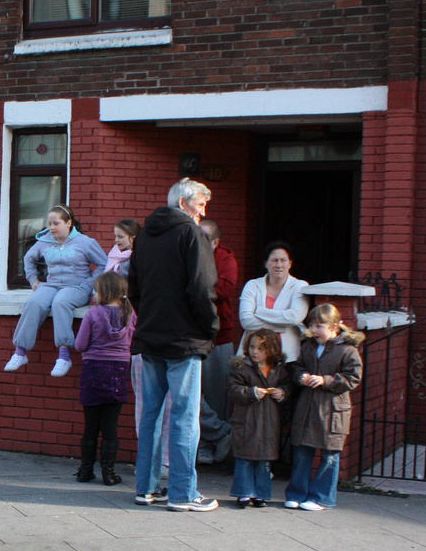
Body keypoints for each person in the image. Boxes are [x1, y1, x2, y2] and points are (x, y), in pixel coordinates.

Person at [127, 179, 220, 512]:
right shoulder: (193, 235)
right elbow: (202, 288)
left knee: (149, 416)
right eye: (200, 205)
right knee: (184, 418)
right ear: (184, 202)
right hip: (184, 341)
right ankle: (183, 494)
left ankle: (146, 488)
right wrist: (210, 327)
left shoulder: (144, 238)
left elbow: (133, 289)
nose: (203, 211)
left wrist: (150, 318)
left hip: (150, 337)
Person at [4, 207, 107, 377]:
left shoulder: (85, 242)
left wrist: (90, 284)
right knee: (34, 302)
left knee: (61, 302)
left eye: (56, 223)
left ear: (68, 223)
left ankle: (64, 356)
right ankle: (20, 352)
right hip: (51, 285)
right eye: (50, 223)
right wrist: (33, 280)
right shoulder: (44, 241)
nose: (52, 227)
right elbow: (29, 258)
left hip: (76, 287)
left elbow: (103, 264)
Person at [284, 303, 365, 511]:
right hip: (308, 407)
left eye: (319, 325)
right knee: (302, 452)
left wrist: (325, 380)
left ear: (335, 326)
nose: (314, 330)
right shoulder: (308, 346)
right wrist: (301, 376)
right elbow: (297, 367)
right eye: (311, 325)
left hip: (333, 410)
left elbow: (353, 378)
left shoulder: (348, 350)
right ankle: (296, 494)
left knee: (329, 454)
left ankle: (321, 498)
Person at [72, 271, 133, 486]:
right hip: (118, 372)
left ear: (104, 292)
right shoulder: (130, 315)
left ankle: (85, 471)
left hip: (93, 370)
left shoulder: (93, 314)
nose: (94, 294)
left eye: (96, 290)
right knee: (110, 425)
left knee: (91, 424)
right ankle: (109, 473)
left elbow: (79, 345)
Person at [226, 328, 288, 508]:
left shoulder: (279, 370)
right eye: (252, 347)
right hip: (246, 421)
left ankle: (261, 494)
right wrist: (251, 392)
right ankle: (243, 493)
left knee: (264, 461)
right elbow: (233, 389)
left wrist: (282, 393)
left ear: (271, 350)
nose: (255, 352)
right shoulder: (242, 368)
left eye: (261, 349)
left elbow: (288, 387)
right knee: (244, 458)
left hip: (269, 423)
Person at [197, 219, 239, 463]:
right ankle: (219, 434)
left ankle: (213, 447)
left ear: (215, 242)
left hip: (219, 336)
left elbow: (223, 289)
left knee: (215, 395)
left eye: (203, 238)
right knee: (194, 395)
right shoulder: (188, 254)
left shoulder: (226, 259)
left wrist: (197, 285)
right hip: (192, 335)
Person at [239, 241, 310, 362]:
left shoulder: (299, 286)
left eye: (283, 260)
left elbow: (294, 318)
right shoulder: (252, 285)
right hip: (254, 356)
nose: (279, 264)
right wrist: (282, 326)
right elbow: (246, 321)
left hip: (287, 355)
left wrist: (260, 311)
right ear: (265, 263)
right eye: (274, 260)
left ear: (290, 263)